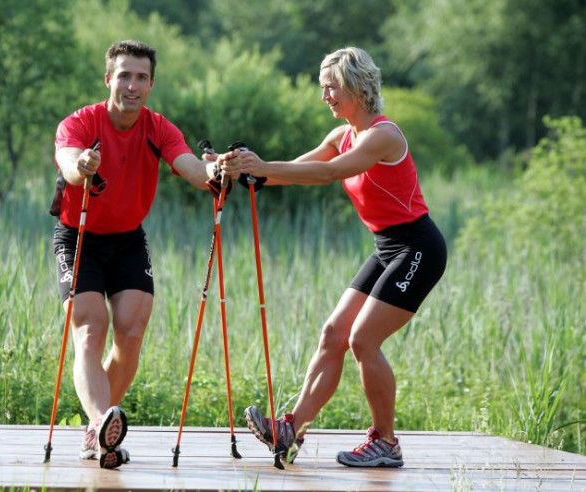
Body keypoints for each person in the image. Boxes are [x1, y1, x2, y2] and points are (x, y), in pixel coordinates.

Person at [217, 46, 447, 468]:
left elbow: (328, 173)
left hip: (418, 248)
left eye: (331, 87)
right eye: (322, 88)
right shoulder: (341, 136)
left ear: (357, 87)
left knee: (363, 339)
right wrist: (237, 169)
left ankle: (386, 442)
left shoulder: (382, 135)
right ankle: (291, 429)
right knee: (333, 334)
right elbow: (296, 168)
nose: (324, 96)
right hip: (386, 247)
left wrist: (262, 166)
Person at [50, 40, 222, 469]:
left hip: (128, 239)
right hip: (79, 236)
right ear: (108, 79)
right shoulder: (80, 122)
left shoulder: (158, 128)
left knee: (130, 331)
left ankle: (98, 434)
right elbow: (68, 162)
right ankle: (99, 423)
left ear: (151, 84)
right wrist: (82, 165)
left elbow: (192, 169)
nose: (132, 85)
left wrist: (216, 170)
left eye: (141, 77)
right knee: (91, 328)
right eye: (124, 76)